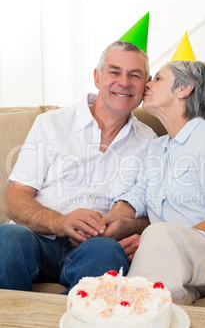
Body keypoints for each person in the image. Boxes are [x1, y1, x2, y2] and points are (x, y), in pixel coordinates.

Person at [0, 39, 156, 293]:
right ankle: (14, 325)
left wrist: (126, 227)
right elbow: (15, 198)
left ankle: (67, 323)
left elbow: (152, 214)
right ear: (97, 77)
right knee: (6, 240)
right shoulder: (50, 124)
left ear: (145, 84)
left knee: (108, 254)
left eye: (135, 75)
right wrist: (59, 221)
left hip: (93, 248)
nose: (124, 82)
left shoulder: (151, 142)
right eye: (114, 72)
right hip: (37, 238)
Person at [107, 59, 205, 305]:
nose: (148, 83)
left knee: (157, 235)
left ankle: (124, 322)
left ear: (184, 89)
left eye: (158, 78)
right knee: (169, 297)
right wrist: (109, 219)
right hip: (182, 261)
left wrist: (159, 243)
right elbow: (139, 194)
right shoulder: (156, 147)